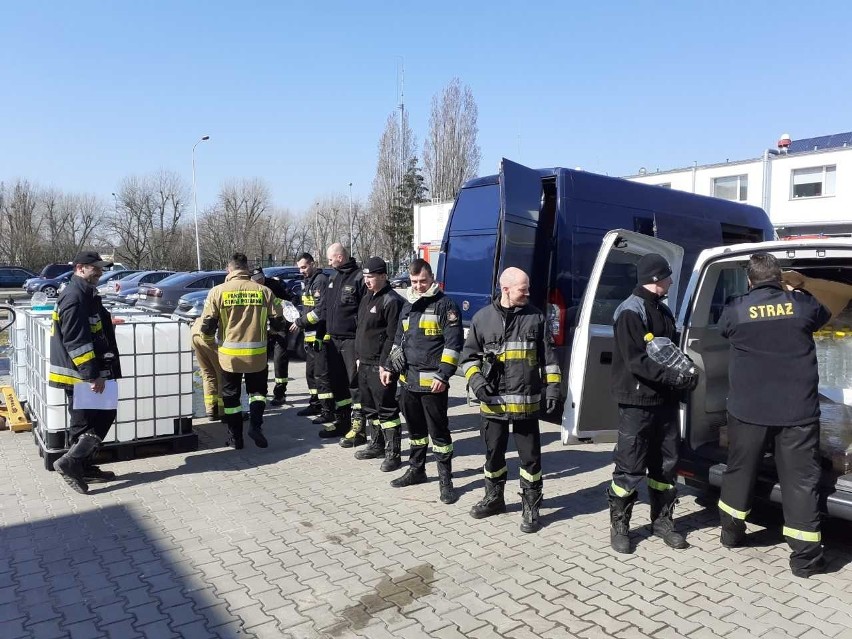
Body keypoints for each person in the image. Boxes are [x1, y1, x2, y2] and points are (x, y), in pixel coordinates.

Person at [717, 252, 831, 578]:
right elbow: (824, 314)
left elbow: (724, 330)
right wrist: (799, 288)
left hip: (748, 410)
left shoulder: (736, 309)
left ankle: (731, 534)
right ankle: (805, 561)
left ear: (750, 280)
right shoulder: (802, 304)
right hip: (797, 411)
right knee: (800, 482)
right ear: (779, 277)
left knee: (739, 472)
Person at [607, 253, 697, 554]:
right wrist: (674, 378)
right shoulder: (630, 312)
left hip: (664, 402)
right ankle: (620, 526)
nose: (671, 281)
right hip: (637, 402)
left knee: (666, 465)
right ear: (656, 278)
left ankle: (662, 522)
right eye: (668, 276)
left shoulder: (663, 310)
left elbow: (669, 350)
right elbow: (637, 362)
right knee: (630, 466)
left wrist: (685, 375)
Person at [460, 267, 561, 533]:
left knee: (531, 460)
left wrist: (552, 391)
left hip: (527, 405)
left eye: (527, 288)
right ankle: (495, 499)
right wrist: (478, 383)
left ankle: (531, 505)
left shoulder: (536, 318)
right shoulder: (482, 319)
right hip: (493, 405)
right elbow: (467, 358)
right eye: (522, 289)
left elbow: (550, 360)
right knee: (493, 456)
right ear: (505, 289)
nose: (528, 293)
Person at [381, 259, 463, 504]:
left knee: (439, 434)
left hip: (433, 385)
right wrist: (388, 366)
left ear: (432, 279)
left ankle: (445, 481)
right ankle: (417, 470)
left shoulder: (445, 306)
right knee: (416, 432)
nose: (418, 286)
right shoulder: (408, 305)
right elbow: (398, 340)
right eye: (414, 282)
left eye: (422, 281)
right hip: (408, 382)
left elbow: (453, 345)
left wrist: (443, 375)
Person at [49, 251, 122, 494]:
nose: (100, 272)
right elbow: (75, 340)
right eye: (95, 268)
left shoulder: (85, 293)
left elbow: (90, 329)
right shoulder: (74, 295)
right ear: (80, 268)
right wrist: (92, 375)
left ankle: (84, 465)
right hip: (81, 374)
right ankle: (72, 463)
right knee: (87, 423)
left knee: (101, 416)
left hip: (93, 371)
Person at [200, 253, 284, 449]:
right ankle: (255, 426)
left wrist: (210, 344)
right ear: (246, 269)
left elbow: (207, 325)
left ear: (229, 270)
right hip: (257, 356)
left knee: (231, 398)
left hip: (229, 357)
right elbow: (279, 321)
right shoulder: (264, 291)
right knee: (257, 394)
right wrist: (268, 333)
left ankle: (235, 438)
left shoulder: (217, 292)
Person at [353, 257, 404, 470]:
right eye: (365, 277)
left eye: (371, 277)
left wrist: (386, 365)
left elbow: (393, 338)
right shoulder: (367, 297)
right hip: (364, 363)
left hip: (380, 366)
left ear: (383, 276)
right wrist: (359, 357)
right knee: (370, 409)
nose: (367, 281)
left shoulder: (391, 301)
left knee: (387, 410)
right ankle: (377, 444)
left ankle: (394, 453)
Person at [318, 243, 367, 445]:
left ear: (339, 257)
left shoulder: (358, 278)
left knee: (354, 384)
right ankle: (343, 421)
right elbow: (326, 309)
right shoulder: (333, 277)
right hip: (333, 340)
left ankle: (359, 428)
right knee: (338, 384)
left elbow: (364, 314)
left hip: (351, 340)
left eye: (330, 259)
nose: (329, 263)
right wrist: (322, 334)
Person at [290, 253, 332, 419]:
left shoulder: (320, 281)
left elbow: (320, 312)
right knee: (311, 374)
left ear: (313, 264)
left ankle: (327, 410)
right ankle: (315, 404)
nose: (302, 271)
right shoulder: (308, 281)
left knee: (321, 376)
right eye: (299, 267)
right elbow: (308, 307)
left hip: (321, 336)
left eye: (304, 267)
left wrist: (300, 322)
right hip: (309, 337)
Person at [251, 267, 294, 407]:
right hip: (261, 329)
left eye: (261, 278)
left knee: (279, 360)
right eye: (256, 279)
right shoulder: (249, 288)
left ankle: (280, 394)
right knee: (260, 361)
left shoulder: (275, 285)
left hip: (279, 328)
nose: (260, 281)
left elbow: (288, 302)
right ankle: (259, 393)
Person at [190, 315, 222, 420]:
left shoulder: (211, 298)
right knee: (224, 374)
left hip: (196, 331)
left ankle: (211, 410)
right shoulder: (220, 298)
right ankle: (224, 411)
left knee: (208, 373)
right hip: (210, 334)